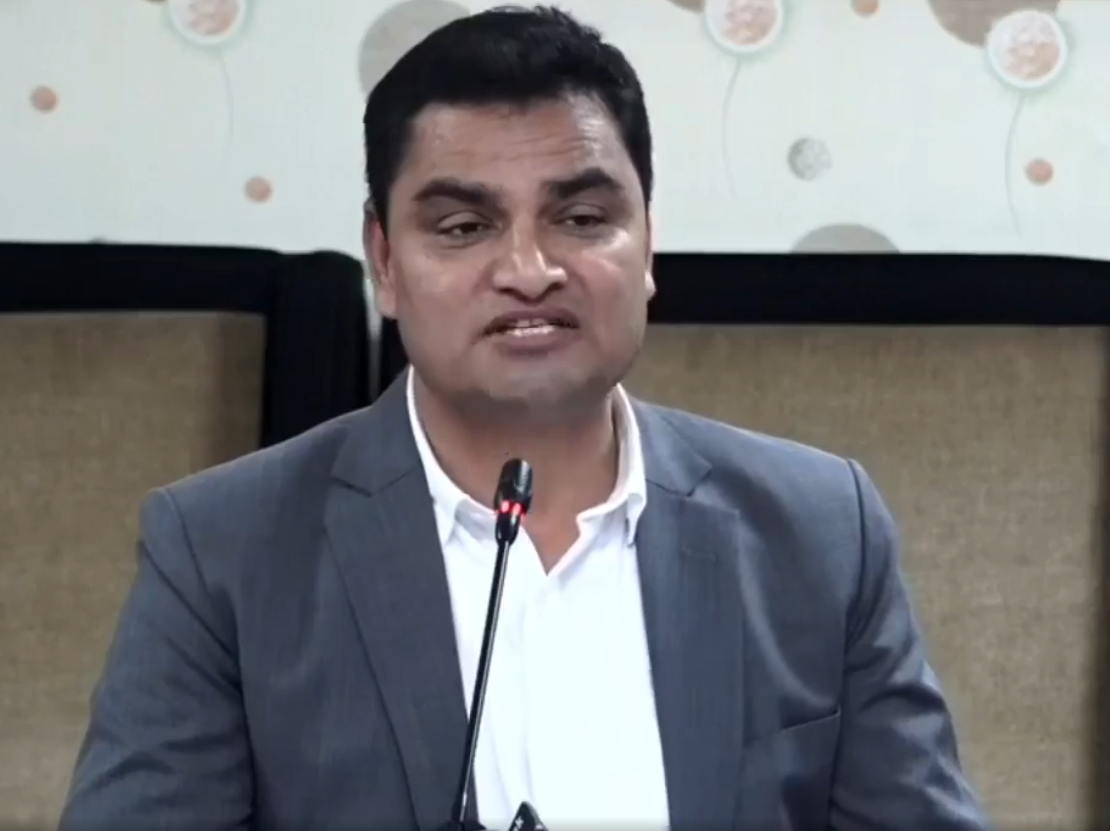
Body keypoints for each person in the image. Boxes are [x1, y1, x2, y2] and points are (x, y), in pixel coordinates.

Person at [59, 6, 990, 831]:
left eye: (580, 218)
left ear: (648, 243)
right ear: (384, 261)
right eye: (464, 227)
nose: (530, 270)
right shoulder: (221, 552)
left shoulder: (820, 531)